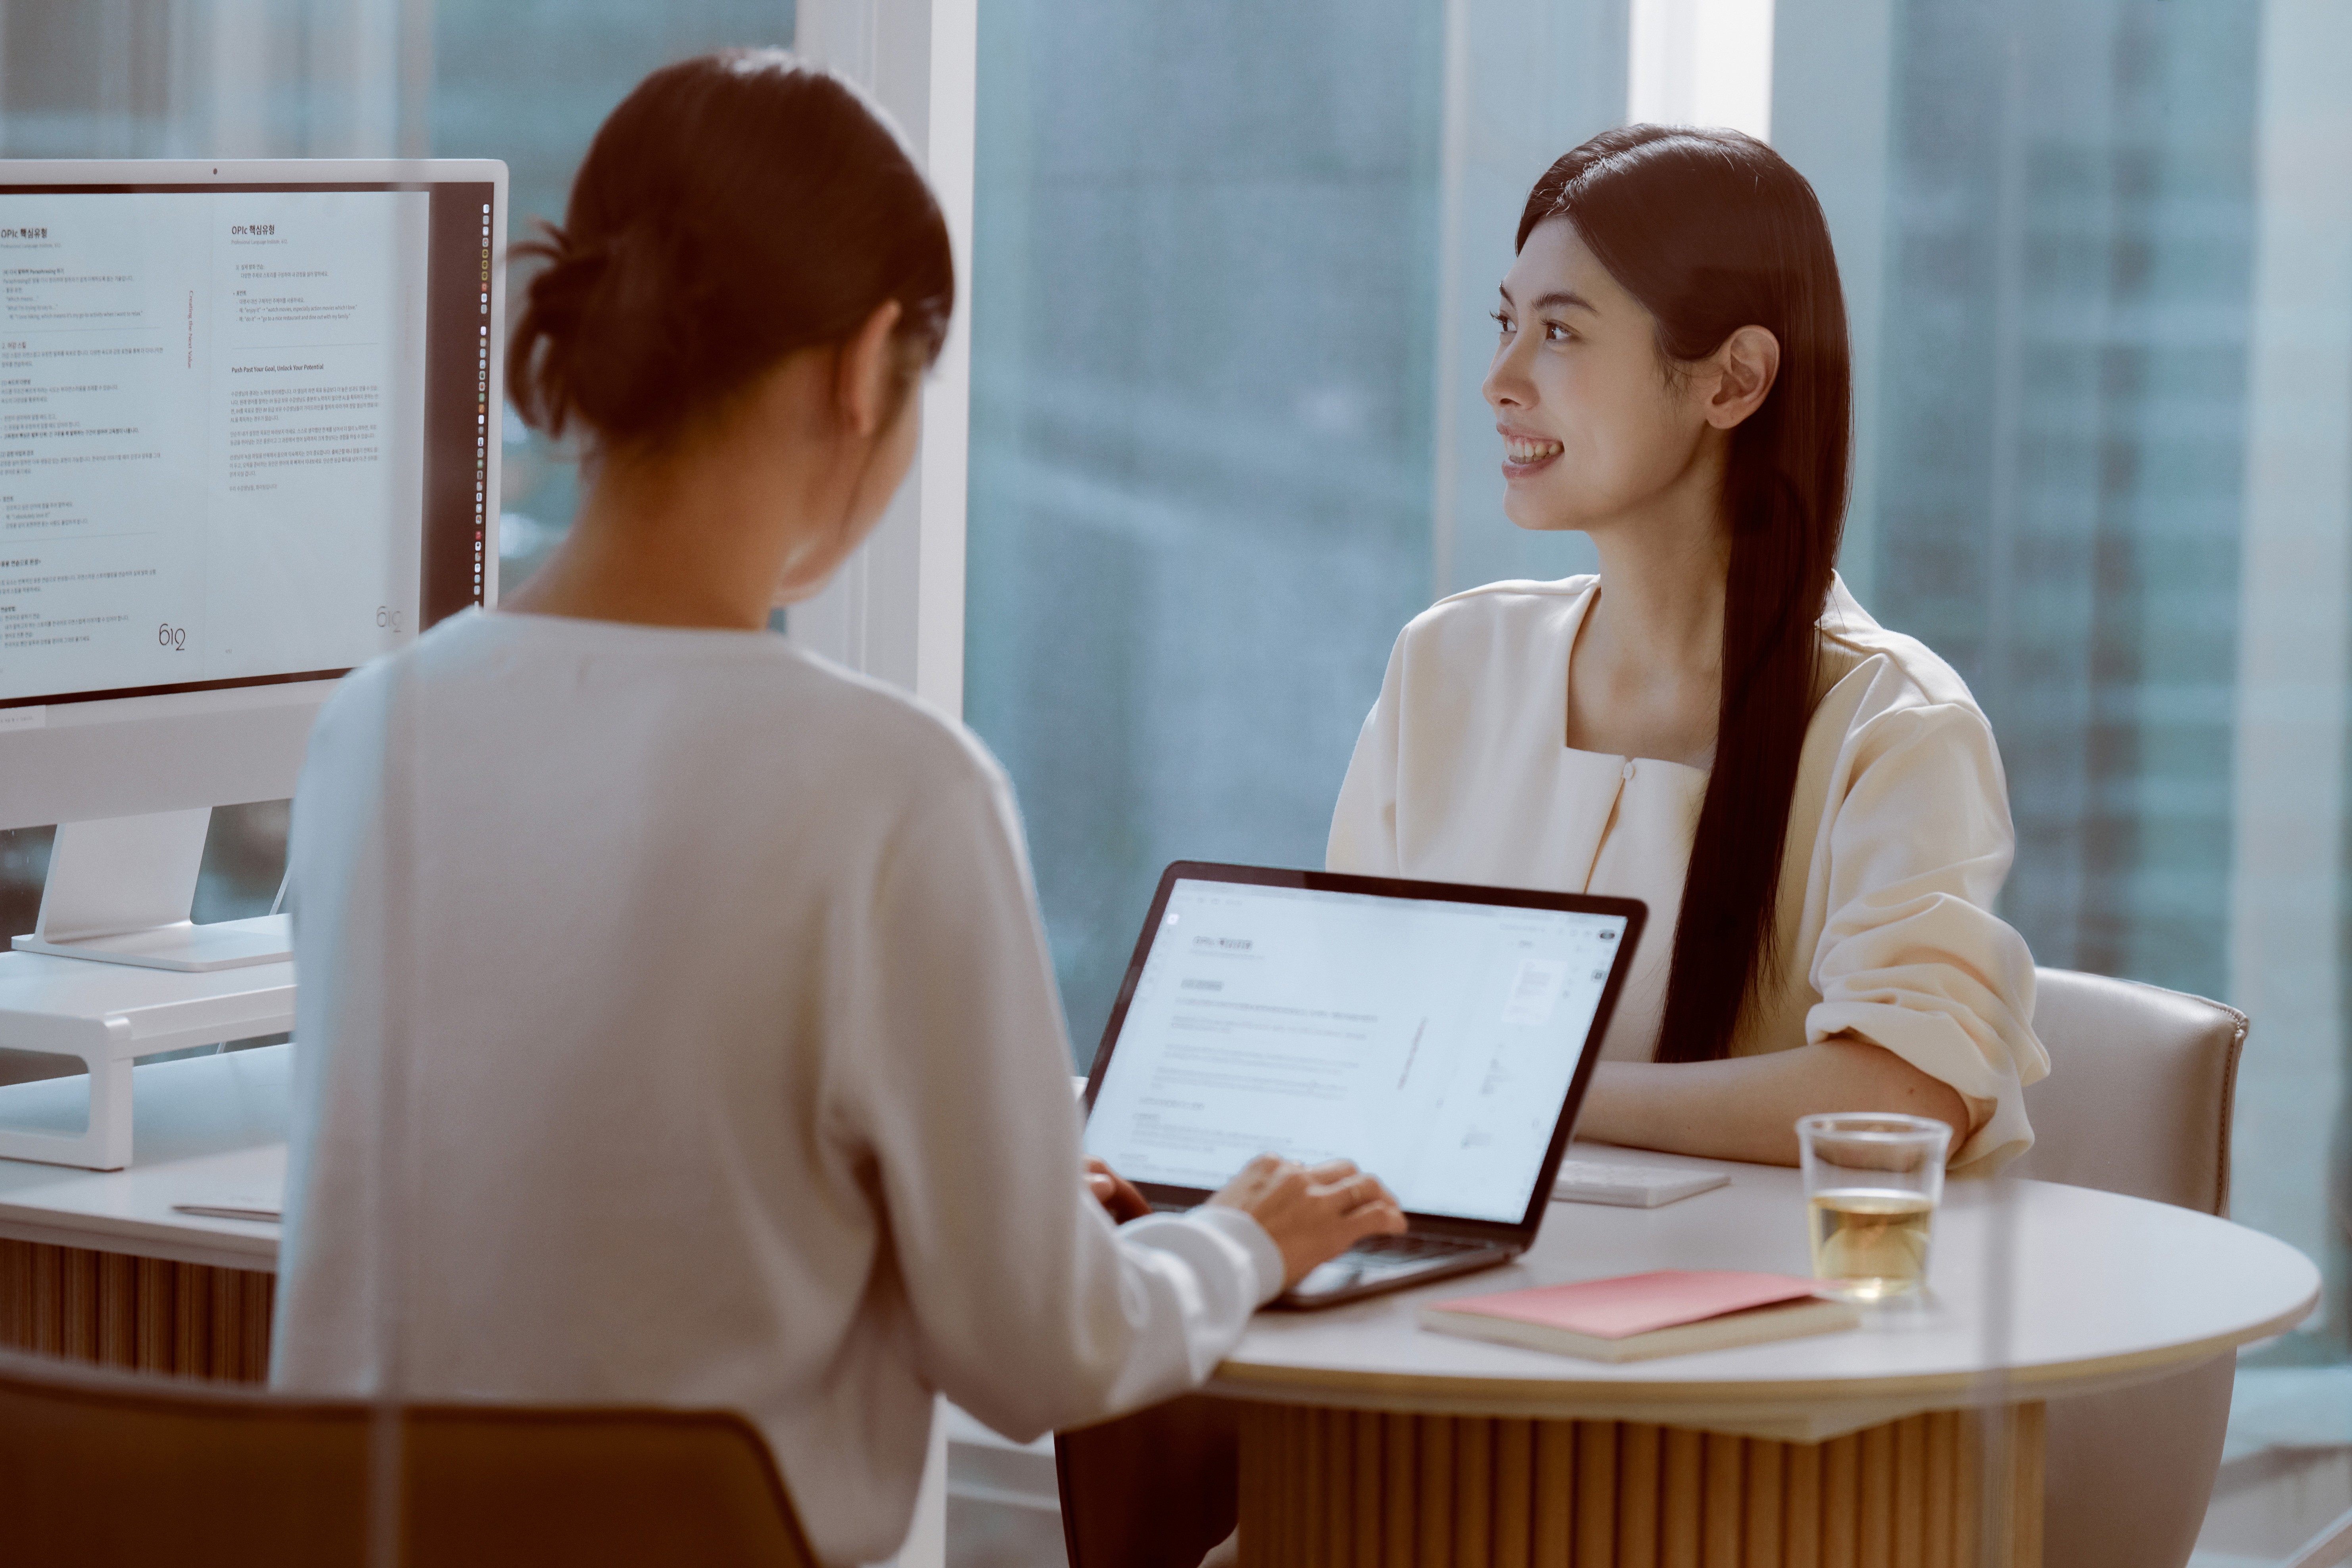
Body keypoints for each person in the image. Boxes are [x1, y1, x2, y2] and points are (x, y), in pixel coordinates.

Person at [268, 50, 1403, 1568]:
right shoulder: (893, 789)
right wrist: (1244, 1234)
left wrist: (936, 1190)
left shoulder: (374, 727)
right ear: (866, 367)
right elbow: (1043, 1357)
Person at [1329, 125, 2047, 1171]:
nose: (1499, 378)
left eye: (1561, 333)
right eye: (1505, 323)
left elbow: (1902, 1092)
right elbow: (1351, 1016)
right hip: (1437, 1281)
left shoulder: (1892, 726)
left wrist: (1521, 1082)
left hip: (1751, 1317)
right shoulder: (1448, 661)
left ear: (1732, 380)